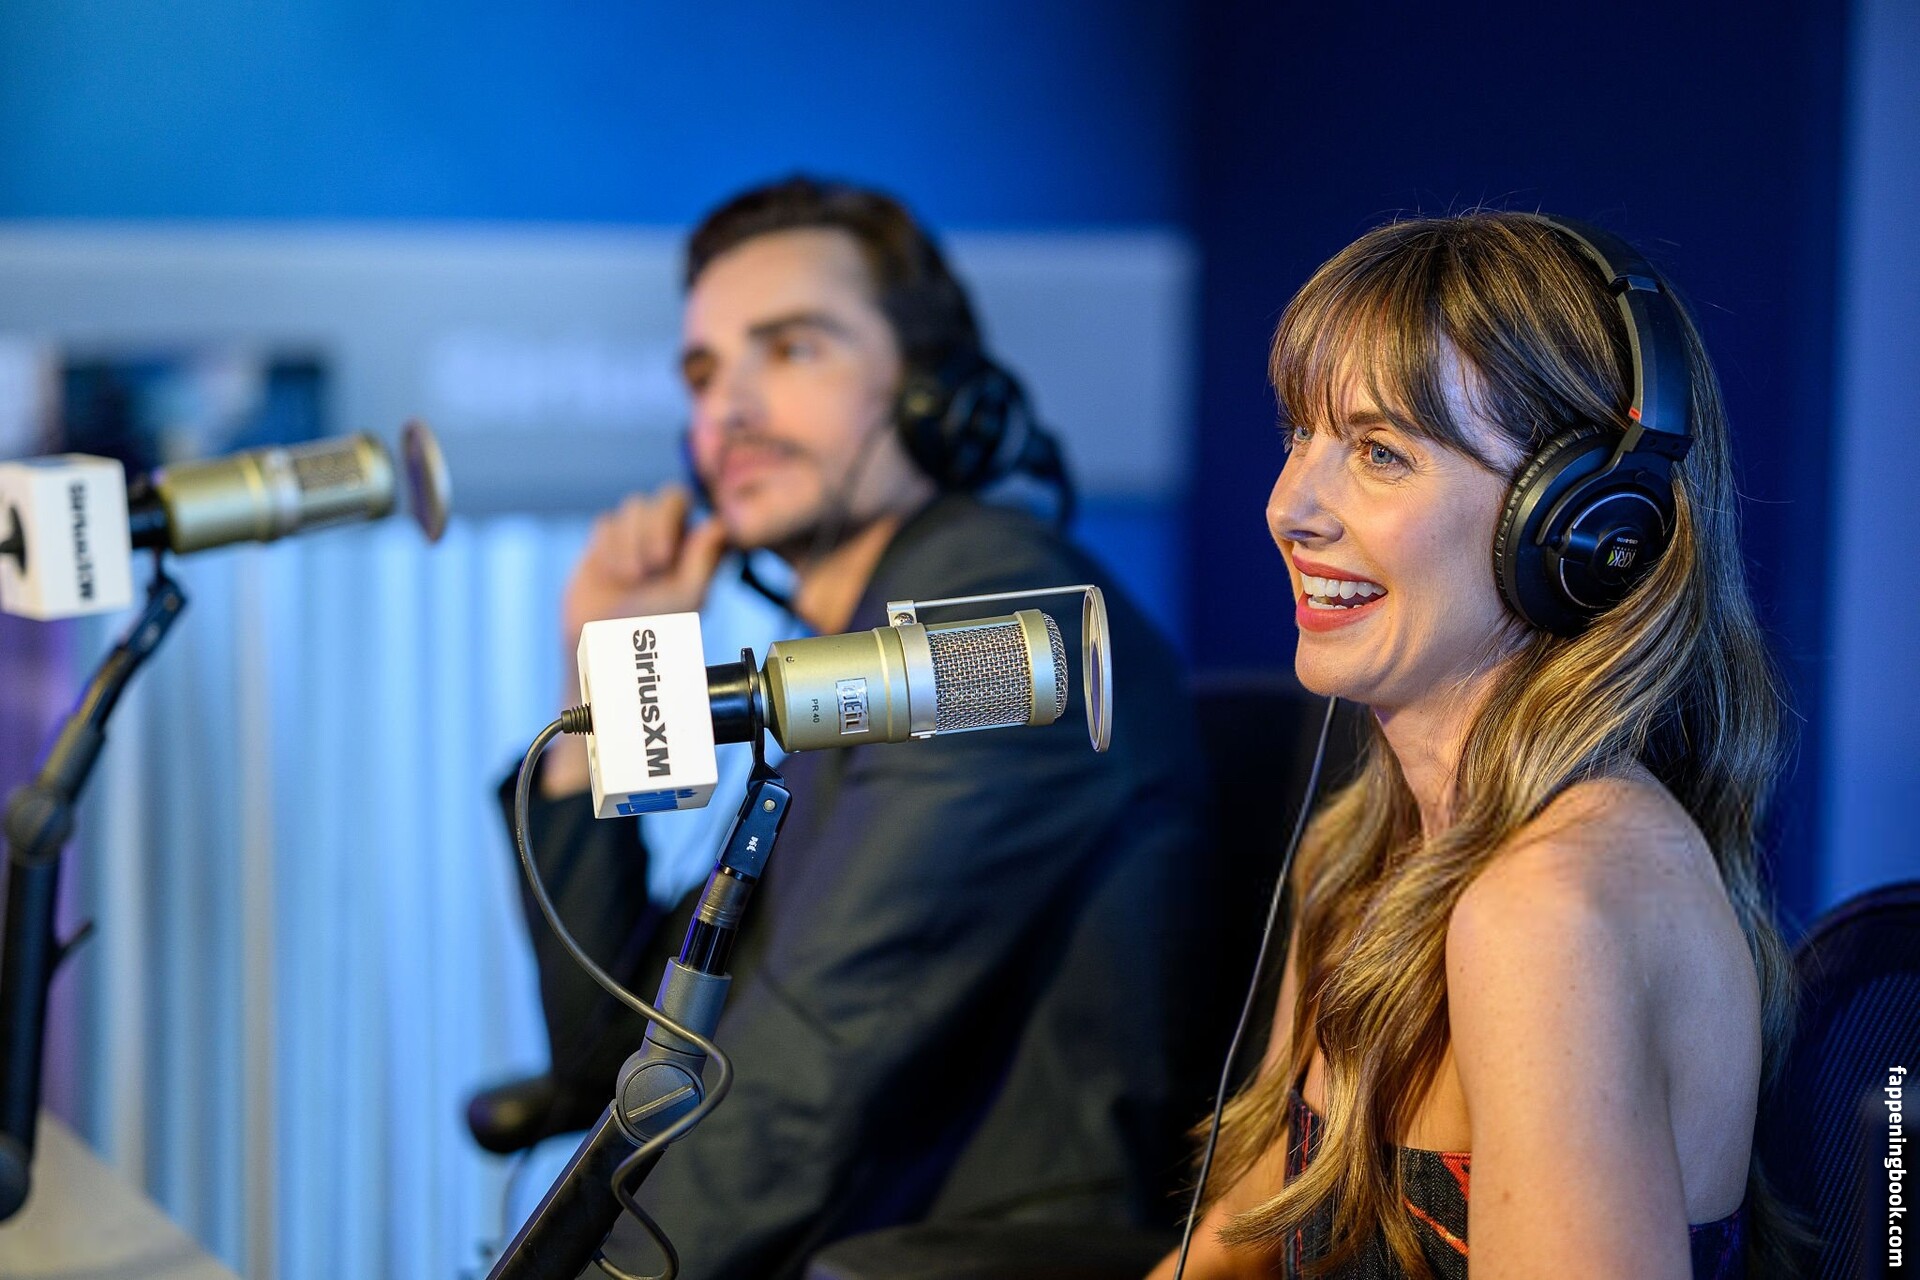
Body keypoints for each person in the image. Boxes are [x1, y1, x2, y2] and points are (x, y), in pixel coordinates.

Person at [490, 176, 1212, 1279]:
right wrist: (607, 683)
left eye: (792, 348)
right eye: (702, 373)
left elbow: (802, 1081)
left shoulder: (983, 625)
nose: (729, 409)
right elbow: (612, 1052)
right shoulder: (844, 663)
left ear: (929, 392)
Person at [1154, 212, 1799, 1279]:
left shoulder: (1548, 911)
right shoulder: (1361, 856)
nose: (1289, 508)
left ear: (1581, 528)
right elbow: (1240, 1242)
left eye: (1380, 453)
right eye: (1299, 436)